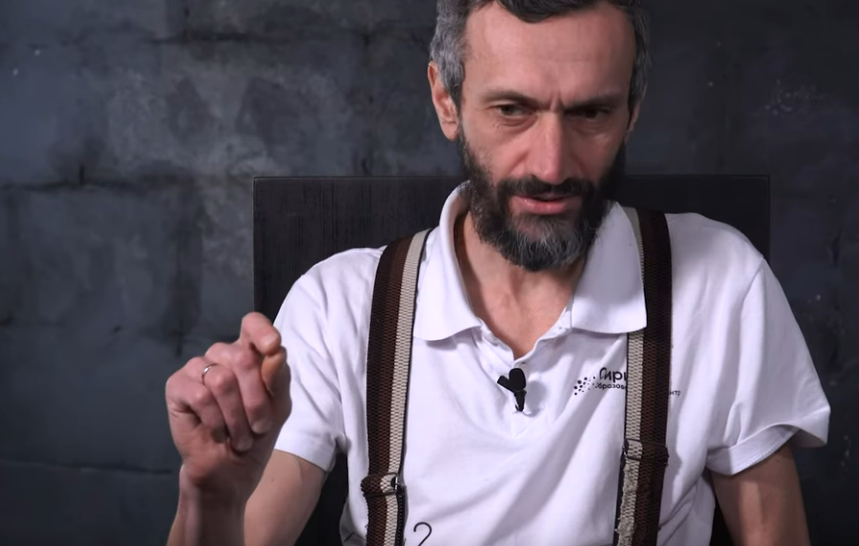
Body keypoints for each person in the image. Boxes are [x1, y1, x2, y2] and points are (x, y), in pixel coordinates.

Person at [164, 1, 831, 545]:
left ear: (632, 110)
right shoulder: (339, 305)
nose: (550, 164)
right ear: (446, 101)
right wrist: (209, 497)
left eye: (590, 113)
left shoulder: (720, 285)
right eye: (512, 110)